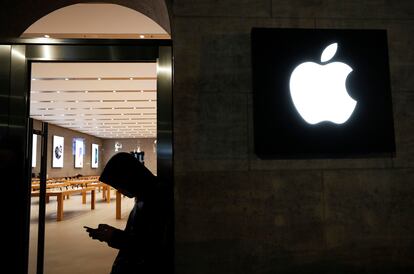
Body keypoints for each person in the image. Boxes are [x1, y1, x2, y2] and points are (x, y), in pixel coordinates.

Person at [84, 152, 167, 274]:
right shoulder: (145, 194)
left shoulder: (156, 199)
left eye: (120, 186)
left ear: (129, 178)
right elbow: (139, 235)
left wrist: (113, 236)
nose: (120, 191)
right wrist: (113, 233)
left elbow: (150, 246)